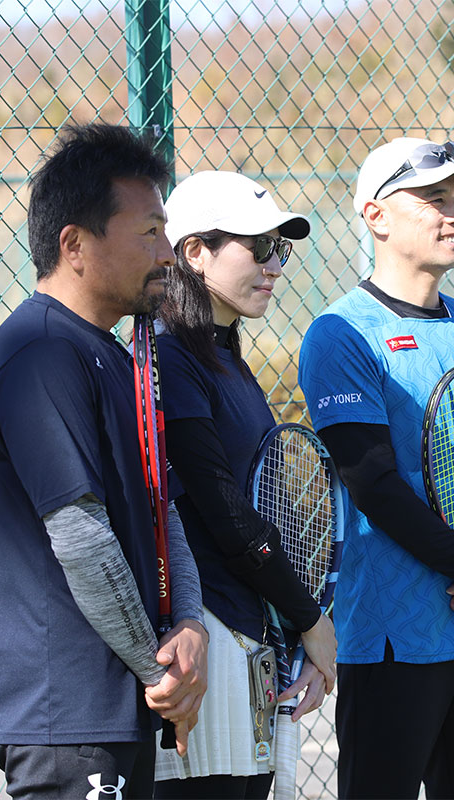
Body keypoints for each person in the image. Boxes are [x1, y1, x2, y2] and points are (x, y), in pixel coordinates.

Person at [0, 123, 209, 799]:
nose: (168, 254)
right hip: (68, 718)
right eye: (149, 233)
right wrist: (164, 675)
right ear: (74, 245)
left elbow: (163, 510)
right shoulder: (40, 354)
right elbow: (80, 538)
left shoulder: (111, 354)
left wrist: (190, 626)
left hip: (120, 708)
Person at [297, 137, 454, 799]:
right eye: (433, 198)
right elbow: (373, 485)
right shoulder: (341, 333)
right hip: (393, 640)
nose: (453, 212)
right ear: (375, 216)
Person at [150, 170, 338, 799]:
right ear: (194, 251)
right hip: (206, 636)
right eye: (257, 248)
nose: (274, 265)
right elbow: (227, 514)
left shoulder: (224, 355)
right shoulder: (171, 357)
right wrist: (309, 619)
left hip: (250, 635)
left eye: (278, 249)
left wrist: (296, 624)